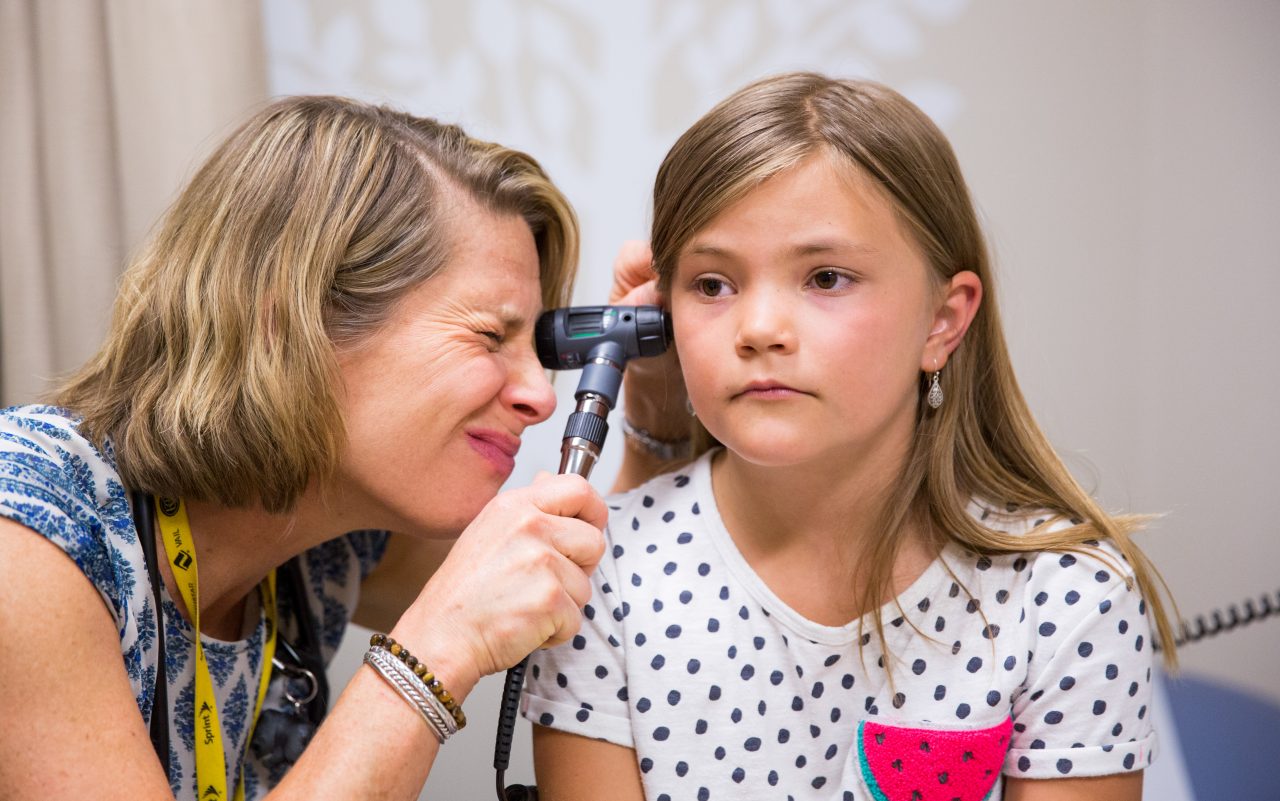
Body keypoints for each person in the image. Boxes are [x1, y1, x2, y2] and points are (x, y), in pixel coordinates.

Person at [524, 72, 1178, 801]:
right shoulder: (599, 574)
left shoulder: (1067, 597)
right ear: (662, 315)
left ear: (943, 320)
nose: (761, 329)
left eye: (826, 277)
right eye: (712, 284)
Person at [0, 96, 616, 800]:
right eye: (488, 336)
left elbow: (594, 592)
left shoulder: (325, 544)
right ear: (290, 325)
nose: (541, 394)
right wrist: (436, 645)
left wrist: (656, 416)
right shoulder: (28, 538)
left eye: (536, 348)